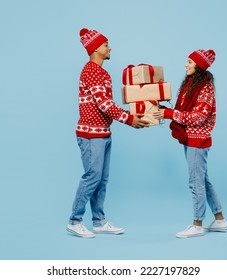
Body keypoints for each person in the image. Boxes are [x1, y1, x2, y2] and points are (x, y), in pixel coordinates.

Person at [66, 28, 149, 238]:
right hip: (90, 134)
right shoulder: (91, 71)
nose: (109, 47)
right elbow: (104, 104)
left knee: (101, 179)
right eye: (105, 45)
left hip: (104, 133)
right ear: (95, 49)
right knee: (92, 177)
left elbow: (107, 104)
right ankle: (75, 221)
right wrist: (130, 119)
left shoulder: (102, 72)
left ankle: (99, 221)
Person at [153, 49, 227, 238]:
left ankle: (197, 224)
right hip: (191, 138)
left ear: (199, 65)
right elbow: (184, 111)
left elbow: (198, 117)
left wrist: (169, 114)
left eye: (189, 62)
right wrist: (163, 109)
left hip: (198, 140)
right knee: (202, 180)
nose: (186, 65)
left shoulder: (205, 88)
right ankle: (220, 219)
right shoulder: (191, 85)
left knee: (196, 182)